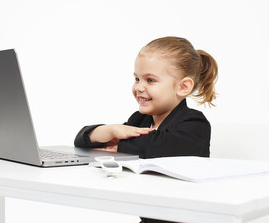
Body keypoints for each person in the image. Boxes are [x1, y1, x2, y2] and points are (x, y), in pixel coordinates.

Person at [74, 36, 218, 223]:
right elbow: (82, 139)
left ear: (183, 87)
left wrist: (120, 144)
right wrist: (110, 130)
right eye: (136, 79)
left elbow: (159, 145)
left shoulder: (194, 124)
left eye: (150, 80)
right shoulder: (140, 119)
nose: (139, 87)